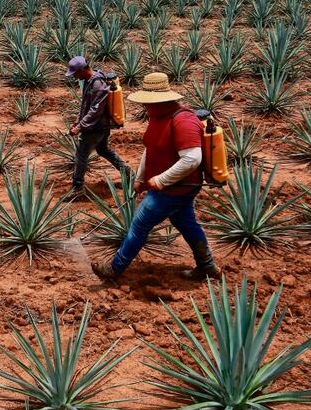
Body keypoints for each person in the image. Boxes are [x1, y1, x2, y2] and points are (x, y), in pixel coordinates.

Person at [91, 72, 220, 281]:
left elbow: (192, 159)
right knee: (186, 222)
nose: (145, 107)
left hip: (176, 188)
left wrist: (160, 180)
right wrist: (140, 178)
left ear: (163, 101)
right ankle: (207, 266)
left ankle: (114, 270)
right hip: (175, 187)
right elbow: (150, 148)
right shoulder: (159, 118)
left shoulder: (183, 121)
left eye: (148, 102)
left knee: (139, 224)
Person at [64, 55, 128, 200]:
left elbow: (95, 110)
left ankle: (77, 188)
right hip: (99, 125)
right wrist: (77, 121)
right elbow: (86, 105)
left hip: (96, 127)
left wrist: (79, 127)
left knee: (81, 155)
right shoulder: (89, 80)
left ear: (82, 70)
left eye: (75, 73)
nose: (74, 77)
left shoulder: (97, 84)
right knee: (103, 149)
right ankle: (128, 173)